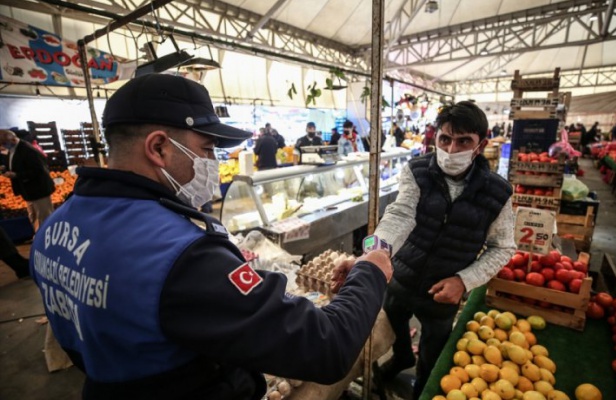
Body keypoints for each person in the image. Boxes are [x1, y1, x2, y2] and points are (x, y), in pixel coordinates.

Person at [29, 74, 393, 400]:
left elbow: (75, 338)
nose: (214, 162)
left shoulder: (52, 229)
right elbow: (325, 346)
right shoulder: (180, 254)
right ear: (158, 147)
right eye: (206, 149)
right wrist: (371, 271)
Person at [368, 101, 515, 399]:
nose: (451, 148)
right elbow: (400, 213)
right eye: (445, 139)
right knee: (393, 321)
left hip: (443, 291)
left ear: (480, 145)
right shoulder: (417, 171)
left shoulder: (498, 192)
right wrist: (377, 250)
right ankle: (400, 358)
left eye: (464, 141)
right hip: (402, 275)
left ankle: (422, 390)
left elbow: (503, 248)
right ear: (434, 137)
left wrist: (464, 281)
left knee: (432, 353)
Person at [0, 129, 55, 232]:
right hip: (28, 191)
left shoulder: (28, 150)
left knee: (44, 217)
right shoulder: (13, 149)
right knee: (34, 216)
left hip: (39, 190)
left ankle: (47, 240)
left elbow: (39, 171)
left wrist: (17, 175)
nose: (2, 147)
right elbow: (18, 165)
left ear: (12, 140)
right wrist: (5, 168)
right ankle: (39, 237)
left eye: (3, 144)